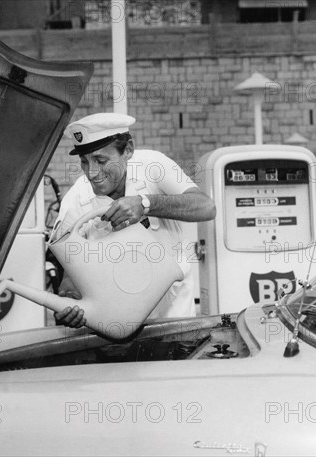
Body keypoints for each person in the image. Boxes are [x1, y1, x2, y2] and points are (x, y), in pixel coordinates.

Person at [51, 112, 216, 328]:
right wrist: (69, 302)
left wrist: (145, 204)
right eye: (84, 162)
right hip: (117, 323)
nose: (91, 173)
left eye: (101, 160)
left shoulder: (153, 166)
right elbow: (70, 280)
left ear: (128, 150)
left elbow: (206, 207)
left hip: (174, 317)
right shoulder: (76, 202)